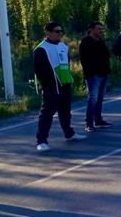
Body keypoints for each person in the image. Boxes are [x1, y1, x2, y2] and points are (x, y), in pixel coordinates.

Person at [34, 22, 87, 152]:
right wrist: (49, 84)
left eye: (61, 31)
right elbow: (39, 70)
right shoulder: (41, 49)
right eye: (57, 31)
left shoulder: (64, 46)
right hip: (51, 86)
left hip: (65, 84)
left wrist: (67, 80)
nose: (60, 34)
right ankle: (41, 141)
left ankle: (69, 133)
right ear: (48, 32)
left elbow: (66, 64)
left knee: (65, 111)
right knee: (47, 113)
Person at [79, 21, 113, 132]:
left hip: (104, 73)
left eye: (102, 29)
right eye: (98, 29)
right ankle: (89, 123)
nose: (101, 31)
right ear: (92, 29)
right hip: (93, 75)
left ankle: (98, 120)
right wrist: (90, 73)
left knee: (100, 98)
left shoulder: (101, 41)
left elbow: (106, 55)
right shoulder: (86, 42)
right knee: (92, 98)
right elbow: (85, 61)